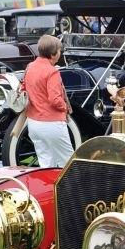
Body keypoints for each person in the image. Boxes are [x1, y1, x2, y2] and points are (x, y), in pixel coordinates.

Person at [21, 35, 73, 167]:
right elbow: (55, 99)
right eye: (59, 50)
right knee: (68, 164)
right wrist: (65, 107)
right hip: (52, 124)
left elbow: (23, 89)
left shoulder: (30, 67)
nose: (60, 53)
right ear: (53, 54)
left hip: (33, 123)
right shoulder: (52, 72)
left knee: (45, 163)